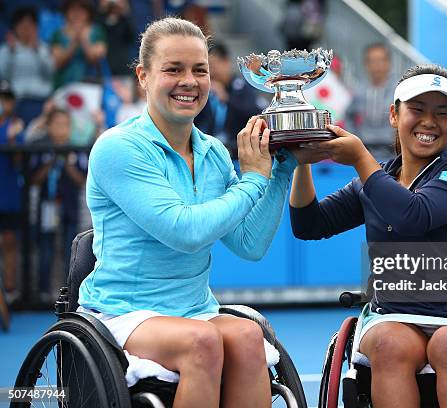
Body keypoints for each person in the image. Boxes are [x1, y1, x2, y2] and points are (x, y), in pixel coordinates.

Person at [78, 17, 302, 407]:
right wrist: (252, 180)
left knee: (249, 336)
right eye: (173, 69)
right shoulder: (117, 148)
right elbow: (186, 232)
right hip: (124, 313)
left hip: (196, 310)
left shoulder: (213, 153)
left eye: (200, 70)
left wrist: (280, 172)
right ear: (143, 76)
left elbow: (249, 245)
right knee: (202, 342)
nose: (190, 81)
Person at [290, 64, 447, 408]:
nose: (429, 121)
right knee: (388, 346)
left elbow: (413, 215)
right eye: (417, 109)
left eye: (443, 113)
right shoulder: (374, 180)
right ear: (393, 114)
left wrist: (359, 157)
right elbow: (309, 224)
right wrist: (302, 163)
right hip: (393, 316)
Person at [30, 108, 87, 303]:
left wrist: (66, 162)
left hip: (69, 209)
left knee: (69, 251)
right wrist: (51, 161)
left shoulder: (76, 150)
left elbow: (81, 180)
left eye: (66, 125)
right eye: (57, 125)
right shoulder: (41, 148)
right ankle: (42, 292)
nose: (61, 130)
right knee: (45, 249)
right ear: (48, 126)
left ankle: (67, 293)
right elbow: (34, 180)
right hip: (47, 207)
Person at [194, 41, 267, 156]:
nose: (210, 72)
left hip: (240, 153)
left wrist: (226, 99)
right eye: (204, 68)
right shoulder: (204, 91)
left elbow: (256, 114)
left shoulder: (242, 86)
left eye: (212, 66)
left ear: (226, 62)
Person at [0, 7, 55, 126]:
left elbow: (50, 73)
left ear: (36, 28)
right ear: (15, 28)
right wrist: (11, 52)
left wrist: (37, 51)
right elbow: (4, 75)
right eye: (22, 26)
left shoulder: (43, 48)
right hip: (17, 102)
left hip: (41, 100)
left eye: (30, 26)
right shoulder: (7, 49)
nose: (26, 30)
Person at [345, 43, 396, 160]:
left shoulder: (398, 90)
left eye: (381, 60)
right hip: (364, 150)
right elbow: (348, 115)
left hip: (392, 152)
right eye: (372, 61)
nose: (377, 65)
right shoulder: (359, 91)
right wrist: (354, 137)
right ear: (366, 64)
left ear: (389, 63)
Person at [0, 82, 24, 305]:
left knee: (9, 241)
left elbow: (19, 163)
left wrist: (13, 140)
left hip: (8, 196)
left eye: (6, 98)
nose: (3, 103)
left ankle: (9, 293)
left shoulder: (15, 127)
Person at [50, 0, 107, 89]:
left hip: (90, 85)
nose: (77, 14)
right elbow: (58, 62)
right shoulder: (58, 34)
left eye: (81, 10)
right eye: (73, 10)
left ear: (88, 12)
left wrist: (83, 39)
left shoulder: (97, 32)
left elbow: (94, 58)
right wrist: (74, 42)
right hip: (63, 85)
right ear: (66, 12)